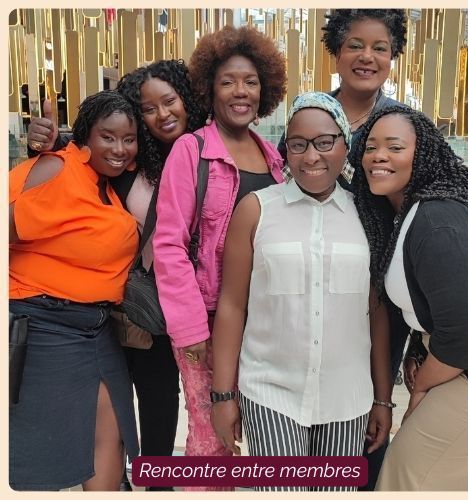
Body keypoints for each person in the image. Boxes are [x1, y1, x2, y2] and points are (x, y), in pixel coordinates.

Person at [25, 59, 206, 491]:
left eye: (169, 101)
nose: (162, 114)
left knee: (161, 400)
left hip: (174, 305)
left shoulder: (206, 155)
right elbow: (80, 162)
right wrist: (45, 146)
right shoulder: (129, 159)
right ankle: (116, 481)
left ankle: (158, 483)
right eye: (148, 108)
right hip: (112, 305)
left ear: (186, 100)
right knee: (113, 404)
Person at [210, 92, 393, 492]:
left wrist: (382, 398)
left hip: (347, 399)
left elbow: (376, 311)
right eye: (298, 144)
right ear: (287, 148)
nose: (311, 156)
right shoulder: (256, 210)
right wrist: (222, 396)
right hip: (271, 393)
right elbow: (232, 306)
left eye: (324, 142)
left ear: (345, 144)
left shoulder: (368, 216)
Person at [152, 25, 286, 489]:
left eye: (250, 81)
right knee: (211, 436)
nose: (240, 91)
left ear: (265, 90)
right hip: (206, 317)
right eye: (228, 81)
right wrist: (189, 327)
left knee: (257, 430)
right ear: (210, 88)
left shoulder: (273, 159)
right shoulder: (192, 151)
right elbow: (169, 243)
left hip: (261, 319)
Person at [353, 105, 468, 490]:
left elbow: (463, 336)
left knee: (405, 475)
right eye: (371, 147)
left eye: (395, 147)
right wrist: (418, 347)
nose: (379, 156)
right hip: (464, 364)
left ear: (424, 153)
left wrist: (421, 391)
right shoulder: (412, 212)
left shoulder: (436, 221)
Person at [9, 90, 140, 491]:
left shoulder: (106, 186)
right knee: (43, 450)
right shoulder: (59, 169)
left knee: (112, 428)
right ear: (86, 136)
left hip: (96, 327)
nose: (119, 149)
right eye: (107, 137)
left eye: (128, 139)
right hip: (44, 323)